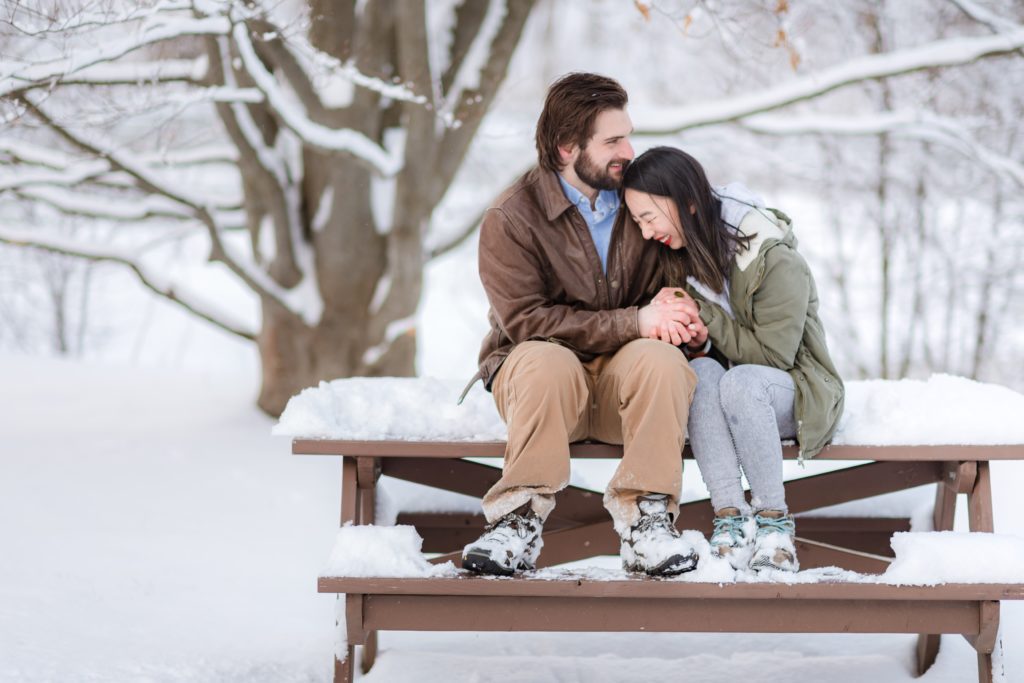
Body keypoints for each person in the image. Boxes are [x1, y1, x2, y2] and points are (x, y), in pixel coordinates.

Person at [461, 74, 703, 577]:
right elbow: (526, 320)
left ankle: (648, 522)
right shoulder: (512, 217)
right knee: (545, 360)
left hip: (626, 386)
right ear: (566, 147)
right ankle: (517, 520)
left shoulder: (642, 201)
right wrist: (635, 320)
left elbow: (677, 282)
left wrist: (684, 319)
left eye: (628, 135)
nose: (629, 150)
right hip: (542, 387)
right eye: (613, 141)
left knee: (663, 360)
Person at [621, 146, 845, 572]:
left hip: (796, 389)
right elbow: (706, 347)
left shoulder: (773, 259)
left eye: (649, 217)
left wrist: (704, 317)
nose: (646, 232)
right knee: (701, 373)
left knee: (741, 382)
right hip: (728, 395)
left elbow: (774, 357)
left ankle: (774, 525)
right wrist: (681, 329)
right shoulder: (680, 256)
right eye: (637, 222)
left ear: (686, 201)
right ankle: (730, 521)